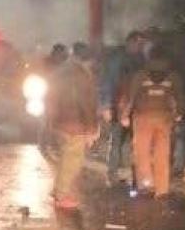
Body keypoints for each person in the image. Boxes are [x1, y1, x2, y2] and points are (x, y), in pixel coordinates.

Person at [121, 45, 185, 198]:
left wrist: (125, 115)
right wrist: (179, 113)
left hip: (142, 117)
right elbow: (180, 97)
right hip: (164, 118)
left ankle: (146, 183)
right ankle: (162, 188)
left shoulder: (141, 75)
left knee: (142, 152)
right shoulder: (173, 76)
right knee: (162, 153)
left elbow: (131, 96)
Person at [48, 42, 98, 211]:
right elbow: (85, 102)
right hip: (74, 122)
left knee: (65, 157)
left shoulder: (61, 71)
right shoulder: (81, 75)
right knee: (73, 160)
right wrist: (91, 126)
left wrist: (51, 119)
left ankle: (58, 190)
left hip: (59, 120)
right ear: (87, 60)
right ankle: (61, 195)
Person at [102, 31, 146, 187]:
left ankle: (128, 175)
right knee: (116, 141)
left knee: (131, 143)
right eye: (137, 43)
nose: (140, 46)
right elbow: (108, 82)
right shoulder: (117, 60)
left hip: (135, 106)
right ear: (129, 42)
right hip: (118, 104)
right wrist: (106, 105)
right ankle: (112, 174)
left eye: (141, 44)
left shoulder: (141, 59)